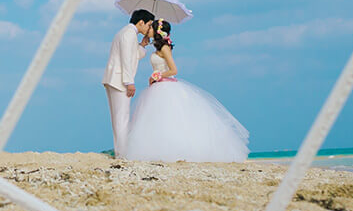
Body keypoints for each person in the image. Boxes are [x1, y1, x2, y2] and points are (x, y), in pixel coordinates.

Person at [121, 19, 250, 162]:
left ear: (157, 31)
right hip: (157, 87)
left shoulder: (164, 48)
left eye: (151, 27)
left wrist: (157, 75)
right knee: (157, 120)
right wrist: (143, 45)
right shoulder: (158, 48)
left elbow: (174, 70)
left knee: (169, 119)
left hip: (165, 86)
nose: (148, 29)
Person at [102, 9, 154, 157]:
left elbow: (134, 55)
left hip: (114, 78)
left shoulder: (128, 33)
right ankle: (123, 153)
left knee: (119, 117)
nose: (149, 28)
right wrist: (129, 82)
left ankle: (120, 151)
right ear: (141, 22)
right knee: (122, 118)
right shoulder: (128, 34)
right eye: (149, 24)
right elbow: (126, 59)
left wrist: (142, 45)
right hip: (119, 80)